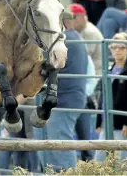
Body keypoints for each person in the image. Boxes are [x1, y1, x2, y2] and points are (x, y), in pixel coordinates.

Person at [35, 10, 88, 171]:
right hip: (69, 98)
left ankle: (68, 173)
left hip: (64, 99)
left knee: (60, 142)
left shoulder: (65, 41)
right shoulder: (75, 39)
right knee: (52, 142)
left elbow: (46, 66)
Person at [93, 32, 127, 161]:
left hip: (122, 124)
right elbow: (102, 98)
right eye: (114, 47)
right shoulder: (108, 70)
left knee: (124, 160)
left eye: (122, 47)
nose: (117, 50)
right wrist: (98, 121)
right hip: (106, 122)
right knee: (100, 159)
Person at [69, 3, 103, 75]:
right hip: (84, 72)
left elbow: (84, 58)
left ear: (82, 17)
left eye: (73, 17)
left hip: (94, 75)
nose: (69, 21)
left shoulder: (90, 32)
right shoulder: (77, 31)